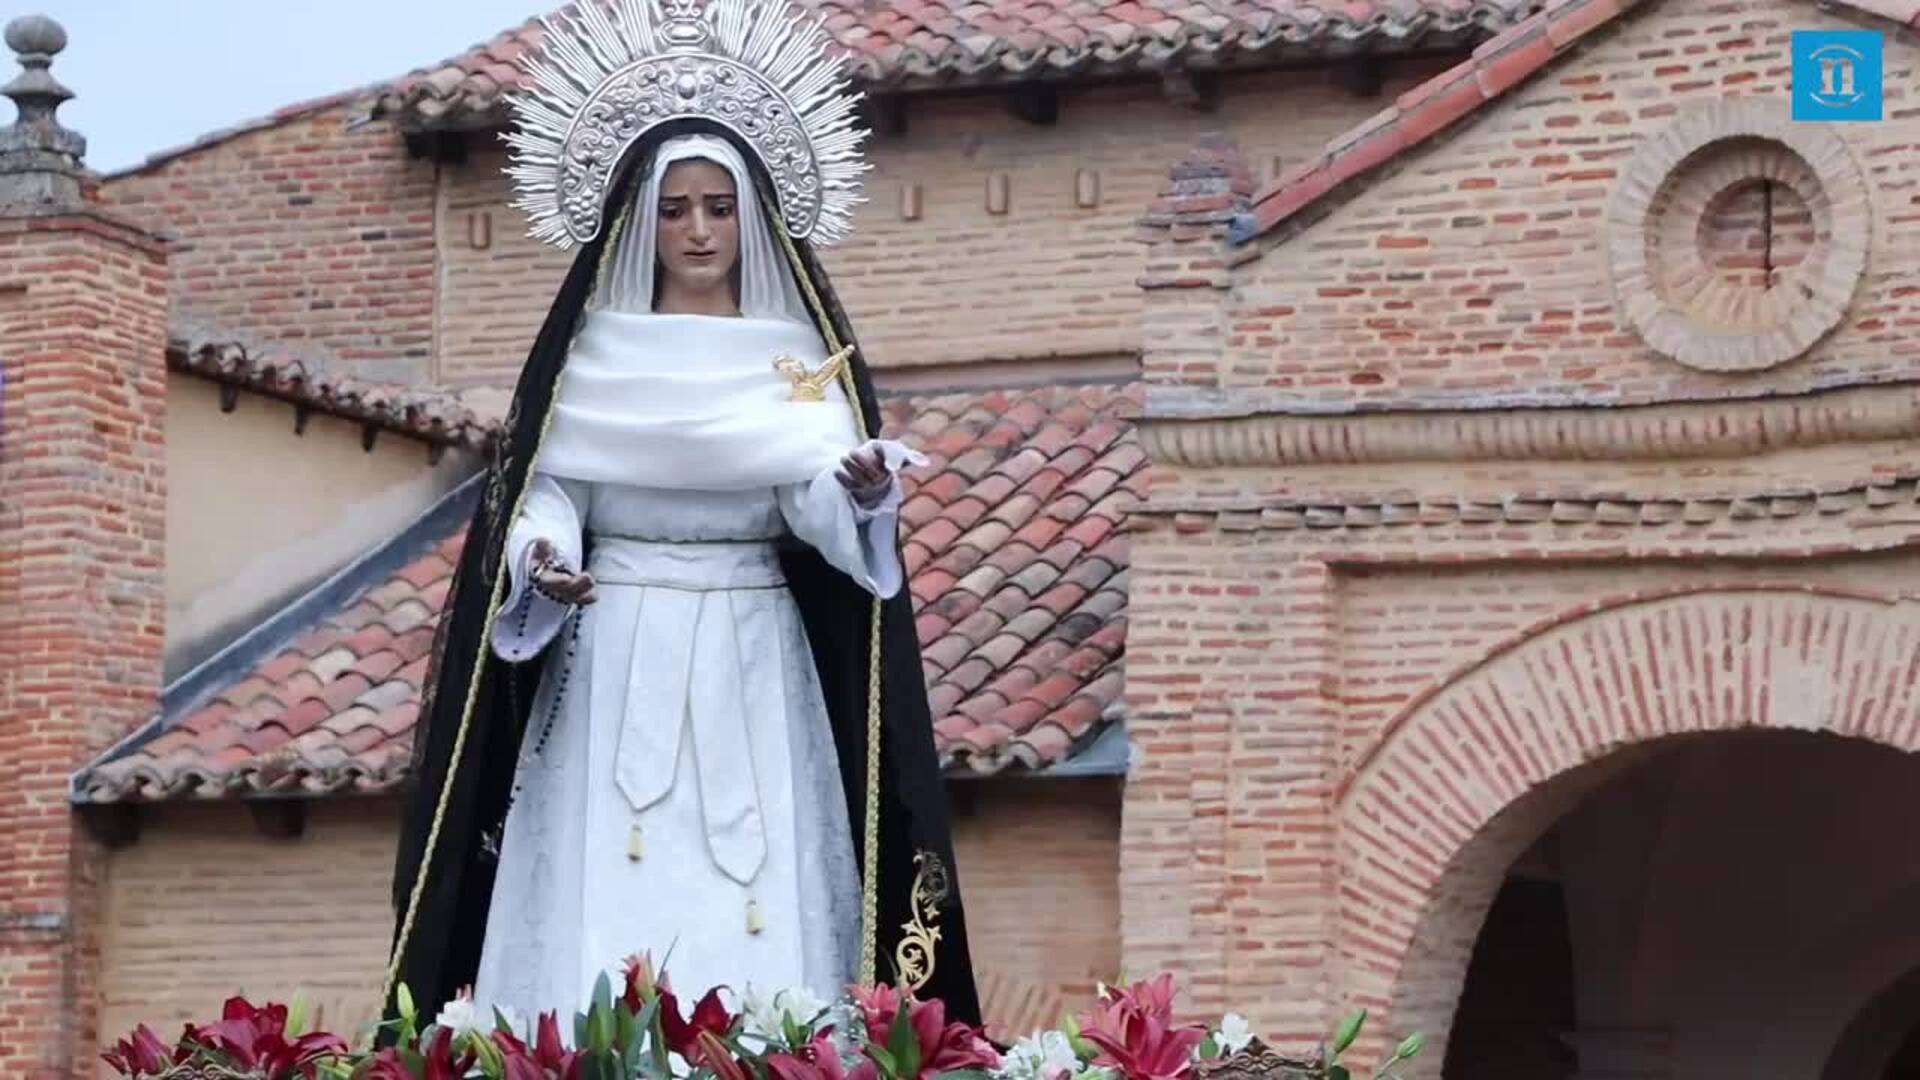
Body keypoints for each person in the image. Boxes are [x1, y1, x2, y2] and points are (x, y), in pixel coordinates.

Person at [380, 0, 980, 1033]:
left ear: (751, 217)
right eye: (675, 210)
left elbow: (810, 499)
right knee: (606, 884)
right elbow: (550, 491)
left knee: (759, 888)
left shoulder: (794, 361)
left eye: (718, 207)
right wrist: (542, 558)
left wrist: (858, 490)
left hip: (754, 650)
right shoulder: (593, 362)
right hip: (615, 646)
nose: (699, 230)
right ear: (638, 221)